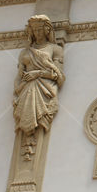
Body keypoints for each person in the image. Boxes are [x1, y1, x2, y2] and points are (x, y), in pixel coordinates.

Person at [13, 15, 65, 159]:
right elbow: (19, 75)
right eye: (34, 30)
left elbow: (58, 75)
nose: (37, 33)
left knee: (41, 116)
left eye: (40, 30)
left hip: (45, 88)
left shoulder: (55, 49)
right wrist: (17, 89)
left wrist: (38, 73)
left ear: (47, 30)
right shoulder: (25, 52)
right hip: (26, 88)